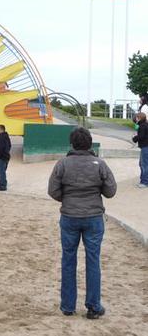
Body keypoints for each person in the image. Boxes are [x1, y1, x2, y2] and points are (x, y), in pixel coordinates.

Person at [48, 127, 117, 319]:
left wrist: (67, 199)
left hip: (69, 217)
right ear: (90, 143)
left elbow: (52, 190)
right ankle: (93, 306)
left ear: (72, 143)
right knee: (93, 260)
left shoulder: (62, 164)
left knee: (68, 259)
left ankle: (68, 306)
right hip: (94, 217)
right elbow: (111, 191)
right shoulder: (100, 164)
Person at [132, 112, 148, 188]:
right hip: (145, 146)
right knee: (142, 164)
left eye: (137, 118)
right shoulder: (144, 125)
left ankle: (144, 182)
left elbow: (141, 137)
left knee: (144, 165)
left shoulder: (142, 126)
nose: (136, 119)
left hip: (145, 147)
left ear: (140, 118)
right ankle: (143, 180)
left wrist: (134, 138)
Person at [0, 124, 11, 191]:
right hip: (5, 156)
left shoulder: (1, 137)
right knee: (1, 171)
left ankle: (2, 186)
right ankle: (2, 184)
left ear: (1, 130)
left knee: (0, 171)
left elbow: (0, 148)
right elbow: (9, 146)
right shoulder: (6, 136)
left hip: (2, 157)